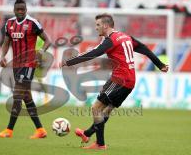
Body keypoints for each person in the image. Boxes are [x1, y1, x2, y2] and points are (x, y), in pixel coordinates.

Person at [60, 14, 169, 150]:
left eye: (98, 25)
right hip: (130, 80)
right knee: (107, 110)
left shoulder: (111, 40)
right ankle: (87, 133)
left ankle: (100, 144)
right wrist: (160, 65)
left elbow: (92, 53)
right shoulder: (125, 37)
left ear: (106, 25)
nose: (96, 28)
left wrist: (69, 62)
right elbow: (144, 48)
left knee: (96, 108)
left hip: (119, 79)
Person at [0, 0, 51, 139]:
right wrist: (2, 56)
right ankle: (40, 130)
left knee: (17, 95)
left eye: (23, 9)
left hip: (29, 64)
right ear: (14, 10)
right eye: (18, 9)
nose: (20, 12)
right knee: (26, 96)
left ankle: (9, 130)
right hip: (16, 65)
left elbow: (48, 40)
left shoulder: (32, 23)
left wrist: (41, 52)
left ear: (26, 10)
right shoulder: (9, 23)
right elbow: (6, 42)